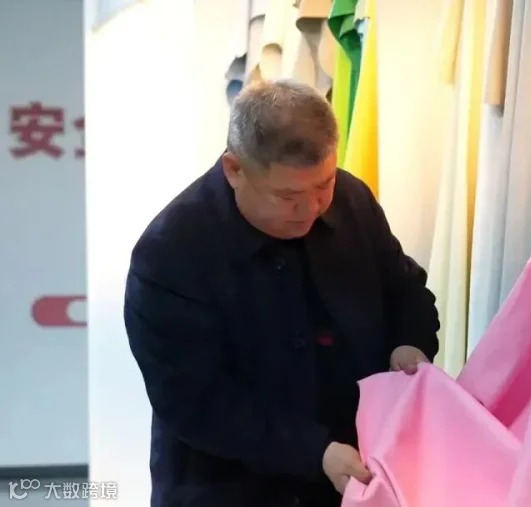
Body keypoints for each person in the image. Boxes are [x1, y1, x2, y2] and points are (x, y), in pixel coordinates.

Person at [124, 80, 440, 507]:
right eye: (288, 196)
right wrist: (314, 452)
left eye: (323, 184)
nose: (311, 208)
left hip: (353, 478)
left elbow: (404, 288)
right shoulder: (171, 253)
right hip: (227, 489)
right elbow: (194, 402)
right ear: (234, 170)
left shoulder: (352, 201)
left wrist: (410, 342)